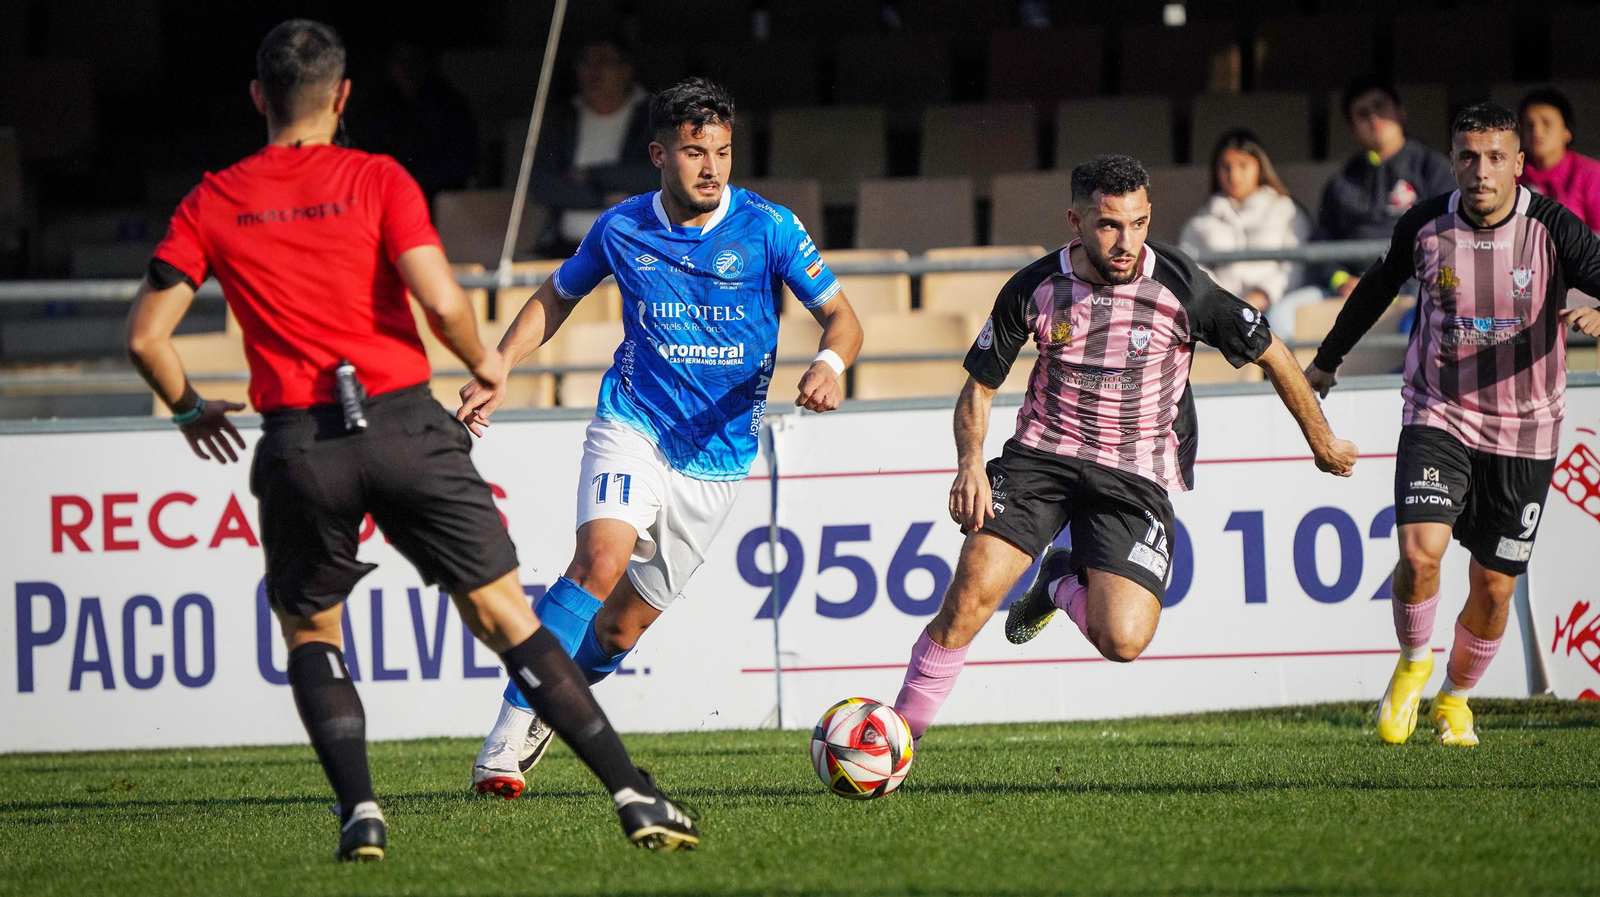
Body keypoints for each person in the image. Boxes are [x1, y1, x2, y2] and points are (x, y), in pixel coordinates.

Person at [123, 20, 699, 859]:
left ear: (259, 98)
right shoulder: (376, 178)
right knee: (505, 615)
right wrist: (483, 362)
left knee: (313, 631)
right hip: (403, 422)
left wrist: (185, 408)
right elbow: (438, 297)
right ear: (344, 94)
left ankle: (361, 811)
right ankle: (631, 791)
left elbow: (145, 335)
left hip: (300, 441)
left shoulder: (213, 197)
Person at [458, 77, 863, 798]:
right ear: (658, 154)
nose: (712, 167)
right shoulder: (623, 227)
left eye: (724, 152)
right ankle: (504, 733)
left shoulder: (768, 228)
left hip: (717, 459)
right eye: (694, 152)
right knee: (599, 558)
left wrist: (830, 363)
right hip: (634, 423)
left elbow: (844, 318)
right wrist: (500, 364)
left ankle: (557, 700)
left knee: (616, 634)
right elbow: (556, 295)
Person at [888, 155, 1358, 747]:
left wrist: (1323, 441)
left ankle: (1061, 578)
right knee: (972, 594)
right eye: (1110, 224)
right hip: (1042, 459)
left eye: (1138, 223)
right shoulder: (1034, 286)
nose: (1126, 240)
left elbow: (1274, 353)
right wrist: (970, 465)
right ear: (1075, 221)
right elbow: (980, 386)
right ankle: (896, 737)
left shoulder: (1183, 285)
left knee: (1124, 641)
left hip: (1135, 471)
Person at [1305, 103, 1600, 746]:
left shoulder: (1553, 228)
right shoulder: (1426, 224)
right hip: (1439, 412)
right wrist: (1326, 362)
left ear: (1520, 164)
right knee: (1419, 552)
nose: (1481, 170)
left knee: (1493, 586)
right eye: (1468, 156)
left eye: (1496, 157)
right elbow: (1376, 288)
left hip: (1527, 431)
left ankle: (1456, 698)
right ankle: (1413, 663)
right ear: (1453, 161)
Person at [1278, 77, 1457, 335]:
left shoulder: (1432, 167)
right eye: (1362, 114)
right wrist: (1340, 281)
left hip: (1416, 286)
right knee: (1280, 319)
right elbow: (1321, 245)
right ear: (1353, 127)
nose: (1373, 118)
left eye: (1380, 107)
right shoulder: (1342, 181)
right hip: (1350, 287)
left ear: (1400, 112)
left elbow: (1450, 236)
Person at [526, 36, 658, 258]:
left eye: (604, 62)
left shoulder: (653, 116)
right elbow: (540, 185)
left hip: (635, 249)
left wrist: (589, 174)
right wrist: (603, 200)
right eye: (586, 63)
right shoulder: (564, 118)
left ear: (627, 70)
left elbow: (656, 175)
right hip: (565, 250)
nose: (594, 71)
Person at [1178, 128, 1312, 317]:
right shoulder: (1201, 220)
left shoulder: (1286, 211)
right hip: (1220, 311)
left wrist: (1261, 297)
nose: (1234, 176)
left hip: (1274, 306)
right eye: (1226, 167)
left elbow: (1295, 267)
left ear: (1260, 167)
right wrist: (1222, 300)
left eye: (1243, 165)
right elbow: (1190, 266)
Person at [348, 42, 479, 200]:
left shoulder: (448, 103)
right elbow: (366, 152)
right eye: (399, 61)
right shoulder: (376, 105)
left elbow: (463, 159)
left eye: (412, 60)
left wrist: (419, 179)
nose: (406, 68)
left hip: (438, 195)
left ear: (424, 63)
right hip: (389, 192)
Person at [1518, 87, 1600, 232]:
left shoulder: (1592, 174)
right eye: (1529, 124)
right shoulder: (1511, 172)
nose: (1536, 131)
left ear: (1567, 132)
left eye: (1546, 123)